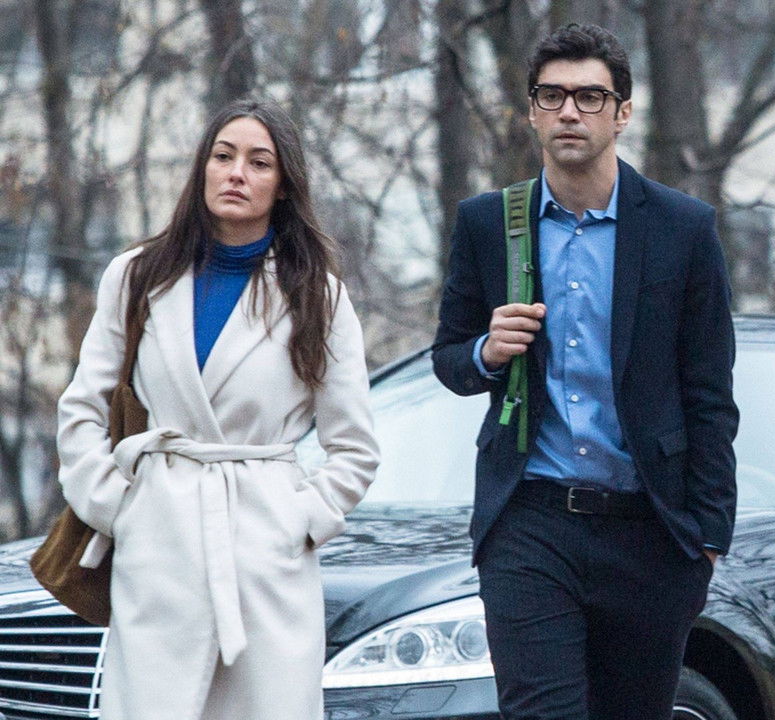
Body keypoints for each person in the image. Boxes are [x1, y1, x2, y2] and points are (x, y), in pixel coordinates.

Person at [432, 23, 738, 720]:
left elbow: (710, 395)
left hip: (649, 529)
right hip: (530, 522)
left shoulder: (682, 228)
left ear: (622, 113)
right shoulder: (489, 223)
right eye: (553, 96)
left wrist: (709, 540)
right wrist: (487, 351)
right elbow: (449, 358)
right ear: (532, 111)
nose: (570, 111)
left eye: (589, 97)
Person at [56, 98, 380, 720]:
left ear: (283, 185)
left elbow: (354, 448)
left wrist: (295, 521)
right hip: (160, 538)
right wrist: (120, 508)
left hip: (267, 555)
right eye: (223, 156)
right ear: (201, 167)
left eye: (259, 162)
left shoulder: (317, 295)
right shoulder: (137, 276)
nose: (236, 173)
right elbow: (81, 409)